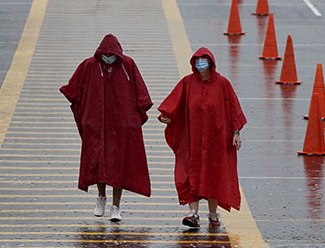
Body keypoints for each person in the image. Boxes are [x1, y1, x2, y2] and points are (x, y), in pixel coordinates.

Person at [60, 34, 152, 222]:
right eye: (105, 54)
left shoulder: (128, 66)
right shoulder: (89, 66)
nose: (108, 58)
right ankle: (101, 197)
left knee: (119, 166)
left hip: (121, 126)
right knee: (98, 162)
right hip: (97, 124)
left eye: (112, 55)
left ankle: (116, 206)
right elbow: (73, 89)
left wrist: (135, 117)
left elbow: (140, 91)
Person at [157, 47, 247, 228]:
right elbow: (175, 104)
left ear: (211, 63)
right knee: (192, 173)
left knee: (214, 175)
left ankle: (213, 214)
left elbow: (233, 110)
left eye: (203, 61)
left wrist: (236, 132)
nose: (200, 64)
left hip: (217, 141)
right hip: (193, 141)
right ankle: (193, 213)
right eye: (197, 61)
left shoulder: (222, 84)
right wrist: (168, 117)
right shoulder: (187, 83)